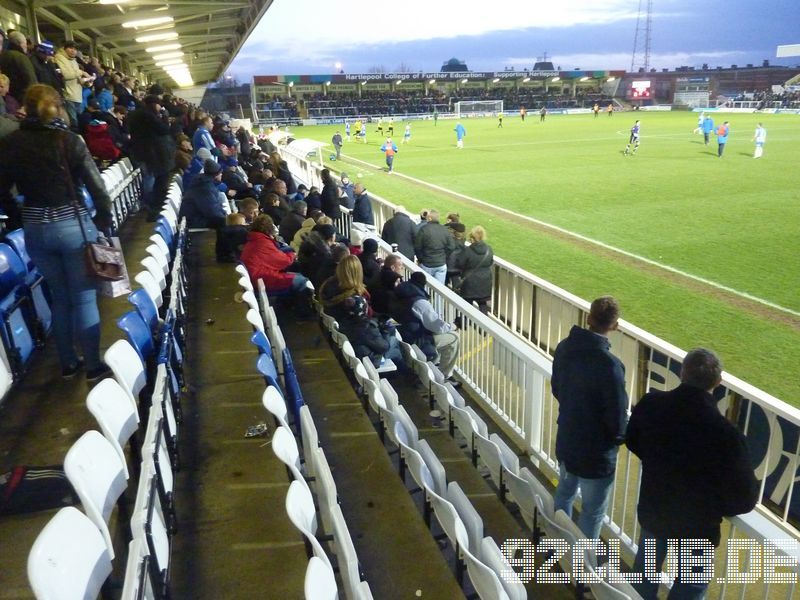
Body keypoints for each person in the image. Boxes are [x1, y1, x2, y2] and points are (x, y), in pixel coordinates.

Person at [0, 84, 113, 381]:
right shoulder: (70, 141)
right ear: (57, 107)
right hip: (73, 227)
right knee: (85, 298)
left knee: (60, 298)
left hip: (35, 230)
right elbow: (97, 189)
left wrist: (16, 214)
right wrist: (104, 220)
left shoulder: (10, 143)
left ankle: (68, 364)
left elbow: (2, 191)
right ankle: (92, 366)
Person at [626, 348, 758, 600]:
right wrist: (713, 502)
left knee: (643, 578)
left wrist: (659, 463)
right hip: (697, 525)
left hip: (656, 510)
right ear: (718, 382)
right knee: (691, 587)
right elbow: (745, 499)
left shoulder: (651, 404)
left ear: (682, 372)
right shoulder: (727, 434)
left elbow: (633, 441)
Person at [551, 296, 628, 539]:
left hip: (567, 439)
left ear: (588, 318)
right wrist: (618, 438)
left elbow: (557, 387)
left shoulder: (565, 346)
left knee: (564, 493)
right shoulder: (611, 366)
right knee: (592, 512)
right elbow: (616, 416)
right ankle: (582, 568)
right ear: (615, 325)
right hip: (595, 454)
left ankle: (559, 544)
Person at [393, 271, 460, 382]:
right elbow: (437, 326)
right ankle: (445, 376)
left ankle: (436, 363)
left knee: (438, 333)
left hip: (404, 334)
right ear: (423, 284)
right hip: (416, 339)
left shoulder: (400, 292)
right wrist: (454, 325)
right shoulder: (420, 302)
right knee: (454, 337)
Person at [240, 214, 312, 310]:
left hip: (257, 276)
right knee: (302, 281)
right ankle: (303, 313)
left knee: (297, 274)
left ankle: (287, 305)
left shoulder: (255, 239)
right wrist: (293, 255)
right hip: (262, 278)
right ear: (269, 228)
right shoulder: (262, 242)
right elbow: (283, 261)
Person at [127, 95, 176, 220]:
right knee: (153, 179)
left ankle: (149, 205)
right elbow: (164, 130)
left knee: (148, 178)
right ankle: (152, 207)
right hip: (152, 153)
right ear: (154, 104)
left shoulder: (134, 114)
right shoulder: (148, 115)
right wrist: (165, 117)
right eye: (159, 105)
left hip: (139, 151)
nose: (160, 107)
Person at [453, 226, 494, 314]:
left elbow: (459, 263)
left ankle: (462, 323)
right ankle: (484, 326)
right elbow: (490, 262)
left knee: (466, 306)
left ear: (472, 238)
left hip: (469, 282)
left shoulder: (467, 251)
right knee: (483, 304)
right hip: (485, 282)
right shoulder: (489, 249)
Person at [54, 41, 90, 128]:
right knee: (72, 123)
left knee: (79, 122)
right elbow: (65, 75)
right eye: (70, 48)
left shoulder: (74, 61)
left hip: (77, 96)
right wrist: (81, 72)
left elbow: (76, 76)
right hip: (68, 96)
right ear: (64, 48)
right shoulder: (59, 57)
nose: (73, 51)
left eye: (75, 49)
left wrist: (86, 82)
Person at [414, 209, 455, 284]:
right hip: (440, 264)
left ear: (430, 218)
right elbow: (452, 246)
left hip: (427, 264)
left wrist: (421, 259)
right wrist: (444, 256)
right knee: (439, 290)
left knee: (426, 288)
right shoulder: (444, 230)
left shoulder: (423, 229)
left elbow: (417, 247)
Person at [0, 31, 36, 106]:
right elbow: (31, 79)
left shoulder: (4, 56)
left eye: (1, 43)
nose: (26, 46)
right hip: (23, 99)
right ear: (20, 44)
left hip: (10, 99)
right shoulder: (21, 57)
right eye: (25, 43)